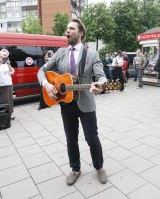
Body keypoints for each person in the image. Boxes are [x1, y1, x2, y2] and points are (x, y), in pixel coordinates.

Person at [38, 18, 108, 185]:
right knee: (71, 139)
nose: (67, 31)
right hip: (66, 103)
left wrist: (101, 85)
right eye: (66, 29)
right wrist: (47, 85)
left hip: (86, 103)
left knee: (92, 138)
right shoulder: (60, 52)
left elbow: (101, 76)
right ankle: (75, 168)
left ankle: (99, 167)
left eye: (71, 28)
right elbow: (42, 70)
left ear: (81, 33)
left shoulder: (91, 54)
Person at [0, 49, 15, 120]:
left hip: (8, 85)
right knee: (0, 101)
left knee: (9, 100)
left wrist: (9, 64)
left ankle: (10, 113)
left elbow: (12, 71)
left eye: (1, 56)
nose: (1, 58)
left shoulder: (5, 65)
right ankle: (1, 115)